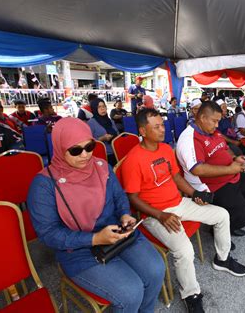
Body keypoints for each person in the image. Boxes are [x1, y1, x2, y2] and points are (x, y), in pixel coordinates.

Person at [27, 117, 164, 312]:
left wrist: (125, 214)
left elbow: (119, 197)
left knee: (156, 270)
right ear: (59, 147)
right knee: (131, 292)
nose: (85, 155)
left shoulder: (101, 167)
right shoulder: (44, 184)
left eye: (89, 146)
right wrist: (95, 238)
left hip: (117, 233)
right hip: (79, 250)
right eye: (75, 150)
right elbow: (49, 234)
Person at [121, 108, 245, 313]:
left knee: (222, 214)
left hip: (179, 202)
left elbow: (177, 178)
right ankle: (191, 294)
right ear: (143, 131)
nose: (163, 129)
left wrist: (195, 193)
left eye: (162, 125)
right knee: (185, 250)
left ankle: (222, 259)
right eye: (156, 127)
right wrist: (161, 215)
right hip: (155, 214)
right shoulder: (133, 160)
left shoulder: (165, 149)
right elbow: (133, 198)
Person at [176, 101, 245, 238]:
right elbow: (197, 169)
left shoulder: (211, 131)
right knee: (244, 216)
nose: (217, 125)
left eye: (218, 121)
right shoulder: (190, 138)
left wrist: (235, 158)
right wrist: (231, 169)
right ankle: (221, 228)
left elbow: (225, 148)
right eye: (214, 121)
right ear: (202, 118)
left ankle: (228, 222)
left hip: (229, 174)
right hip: (211, 185)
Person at [87, 98, 119, 166]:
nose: (102, 109)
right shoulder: (91, 123)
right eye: (99, 107)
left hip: (116, 152)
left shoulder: (110, 121)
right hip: (102, 156)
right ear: (94, 109)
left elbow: (117, 133)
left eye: (104, 106)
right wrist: (102, 138)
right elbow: (88, 143)